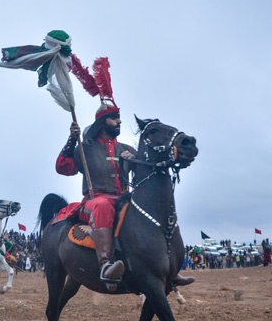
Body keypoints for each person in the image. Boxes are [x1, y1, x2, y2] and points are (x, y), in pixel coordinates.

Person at [56, 102, 195, 288]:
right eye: (114, 118)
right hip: (95, 201)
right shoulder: (86, 148)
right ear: (102, 122)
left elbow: (145, 176)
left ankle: (171, 270)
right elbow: (63, 168)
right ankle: (105, 264)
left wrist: (135, 162)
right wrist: (72, 140)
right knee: (102, 206)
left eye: (118, 117)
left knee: (155, 213)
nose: (119, 121)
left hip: (123, 199)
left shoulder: (125, 148)